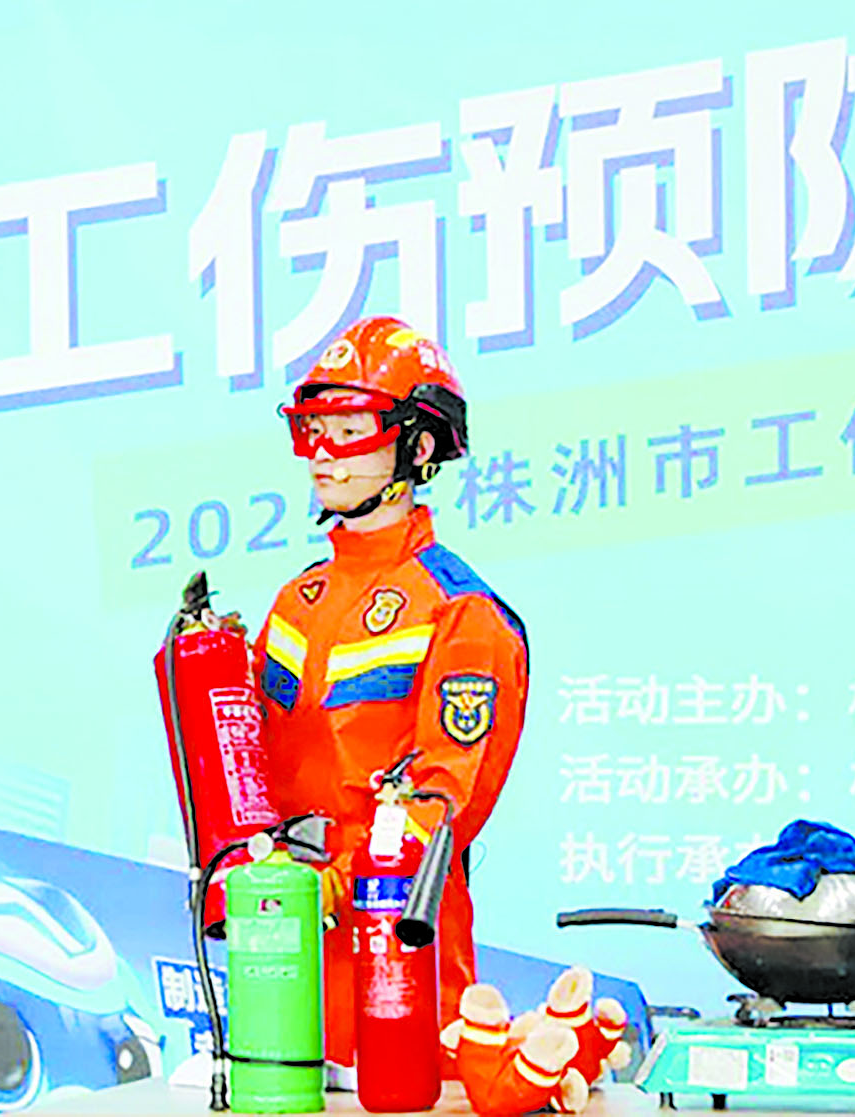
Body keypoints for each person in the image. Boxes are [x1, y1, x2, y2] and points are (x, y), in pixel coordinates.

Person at [251, 317, 529, 1070]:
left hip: (398, 961)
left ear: (420, 445)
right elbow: (251, 771)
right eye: (313, 430)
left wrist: (337, 886)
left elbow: (443, 801)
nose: (323, 453)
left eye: (350, 430)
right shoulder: (295, 601)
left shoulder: (460, 611)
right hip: (280, 956)